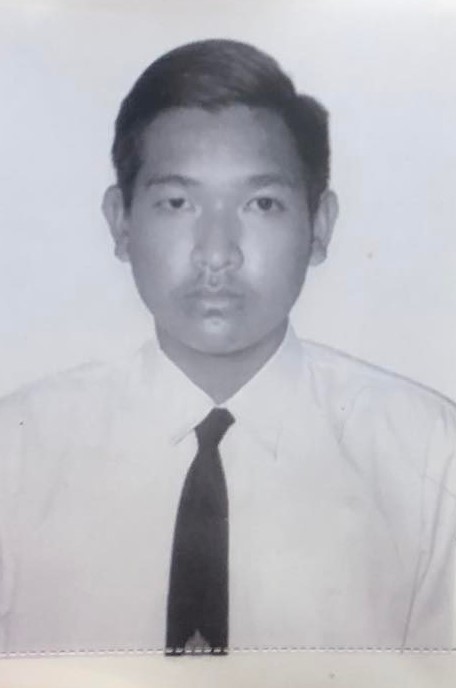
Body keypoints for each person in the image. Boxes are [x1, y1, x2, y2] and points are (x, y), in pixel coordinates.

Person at [0, 38, 455, 656]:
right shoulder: (17, 455)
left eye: (261, 204)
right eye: (177, 203)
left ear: (319, 227)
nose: (217, 253)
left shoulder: (430, 459)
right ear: (121, 223)